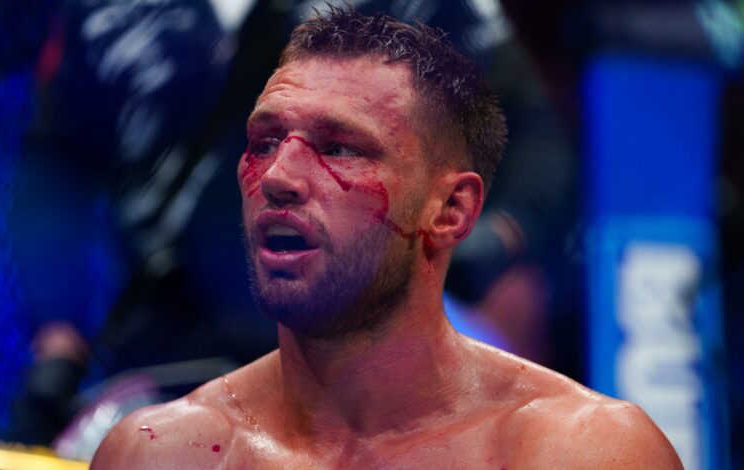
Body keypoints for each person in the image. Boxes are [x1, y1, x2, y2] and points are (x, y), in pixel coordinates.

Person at [91, 7, 682, 468]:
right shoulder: (159, 454)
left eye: (339, 147)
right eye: (266, 141)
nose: (277, 178)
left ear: (450, 210)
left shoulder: (580, 453)